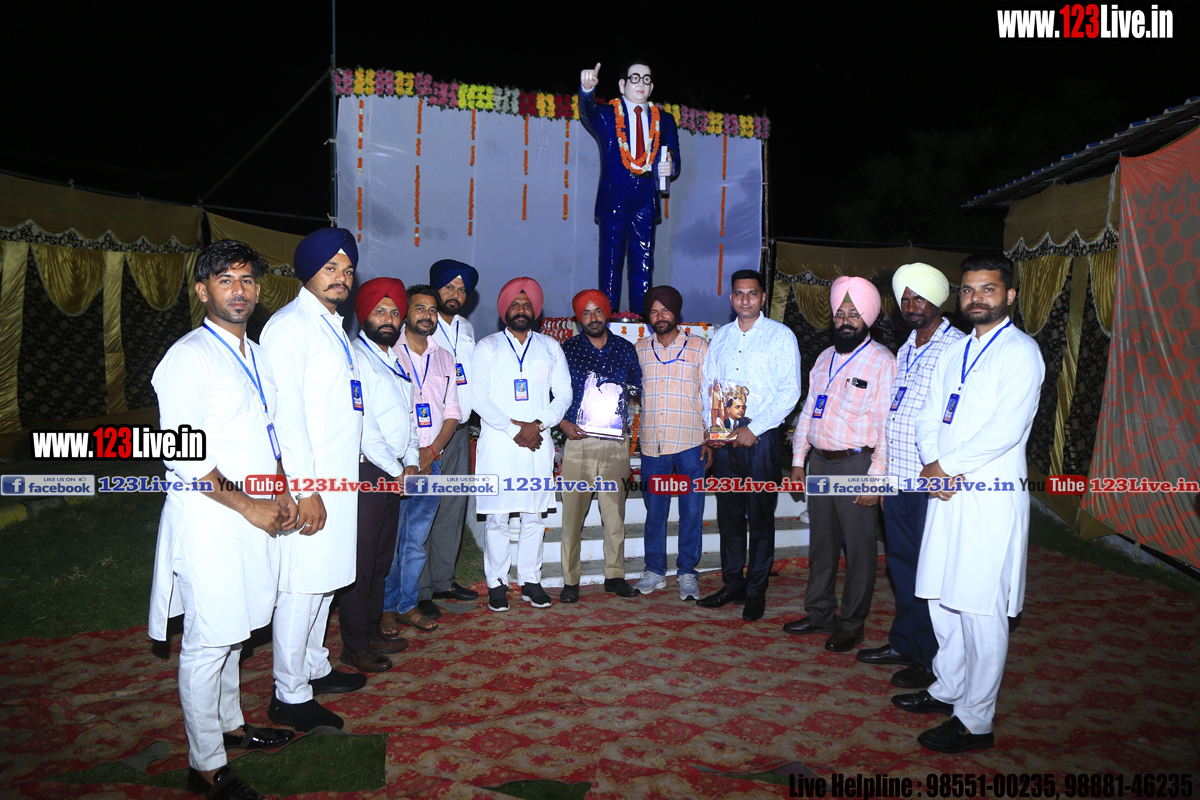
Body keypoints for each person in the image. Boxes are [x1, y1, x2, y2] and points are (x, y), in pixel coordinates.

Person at [149, 239, 296, 800]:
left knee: (236, 630)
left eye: (248, 280)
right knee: (209, 642)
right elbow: (183, 452)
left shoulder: (255, 353)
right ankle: (205, 766)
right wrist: (250, 504)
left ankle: (231, 727)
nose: (240, 290)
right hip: (211, 519)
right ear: (202, 290)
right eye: (226, 280)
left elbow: (268, 430)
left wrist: (280, 488)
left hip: (253, 513)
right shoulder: (189, 357)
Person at [894, 254, 1044, 754]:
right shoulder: (956, 350)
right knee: (941, 596)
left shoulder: (1020, 353)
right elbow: (927, 413)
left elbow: (1006, 430)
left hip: (987, 495)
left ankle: (977, 721)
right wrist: (934, 462)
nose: (976, 298)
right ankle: (948, 687)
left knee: (980, 606)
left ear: (1010, 295)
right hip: (946, 489)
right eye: (968, 290)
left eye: (988, 289)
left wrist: (946, 466)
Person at [260, 228, 405, 732]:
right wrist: (305, 490)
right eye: (330, 269)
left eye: (347, 270)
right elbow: (286, 417)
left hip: (343, 484)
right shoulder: (290, 327)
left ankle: (314, 668)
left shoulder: (334, 329)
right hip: (314, 486)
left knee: (325, 585)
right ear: (308, 272)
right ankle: (289, 693)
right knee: (302, 587)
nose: (341, 278)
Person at [855, 263, 964, 688]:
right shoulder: (905, 348)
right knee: (902, 567)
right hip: (898, 479)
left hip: (930, 483)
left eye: (920, 297)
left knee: (932, 572)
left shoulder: (956, 347)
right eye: (905, 299)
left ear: (937, 299)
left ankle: (931, 657)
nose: (912, 305)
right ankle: (904, 642)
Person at [786, 276, 896, 652]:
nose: (845, 320)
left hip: (856, 465)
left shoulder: (882, 362)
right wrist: (798, 460)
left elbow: (886, 426)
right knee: (822, 543)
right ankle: (820, 613)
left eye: (854, 313)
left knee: (859, 549)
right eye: (840, 314)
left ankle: (852, 623)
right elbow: (808, 412)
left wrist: (875, 478)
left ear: (868, 318)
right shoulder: (824, 358)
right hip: (819, 461)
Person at [698, 269, 801, 622]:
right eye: (739, 294)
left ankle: (756, 591)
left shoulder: (780, 336)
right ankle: (732, 584)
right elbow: (708, 386)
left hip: (762, 437)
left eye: (752, 293)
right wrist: (710, 430)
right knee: (728, 515)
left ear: (762, 297)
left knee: (759, 517)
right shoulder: (721, 337)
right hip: (725, 437)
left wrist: (754, 429)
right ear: (731, 299)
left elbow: (790, 391)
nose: (745, 300)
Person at [473, 277, 572, 611]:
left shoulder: (550, 347)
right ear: (504, 309)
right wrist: (513, 428)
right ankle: (496, 583)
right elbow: (478, 397)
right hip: (500, 443)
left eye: (527, 304)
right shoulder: (487, 346)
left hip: (537, 443)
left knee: (533, 515)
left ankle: (531, 580)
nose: (521, 309)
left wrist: (538, 424)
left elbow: (564, 394)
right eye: (514, 304)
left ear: (535, 310)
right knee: (498, 518)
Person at [342, 278, 421, 673]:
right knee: (361, 561)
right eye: (380, 311)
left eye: (394, 312)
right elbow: (365, 426)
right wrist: (397, 470)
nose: (388, 319)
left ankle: (372, 630)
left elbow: (410, 417)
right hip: (369, 472)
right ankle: (354, 644)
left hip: (394, 471)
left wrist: (412, 462)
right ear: (364, 316)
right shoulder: (355, 358)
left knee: (380, 559)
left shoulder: (396, 360)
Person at [382, 284, 462, 632]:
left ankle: (407, 604)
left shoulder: (444, 357)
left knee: (416, 542)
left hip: (432, 462)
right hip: (395, 464)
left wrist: (432, 452)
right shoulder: (388, 352)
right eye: (420, 308)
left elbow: (452, 411)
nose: (427, 315)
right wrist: (411, 456)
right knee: (390, 541)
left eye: (432, 310)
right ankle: (385, 608)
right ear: (405, 312)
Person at [558, 289, 642, 602]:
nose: (592, 318)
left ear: (607, 313)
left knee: (614, 515)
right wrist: (562, 422)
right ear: (578, 318)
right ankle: (570, 580)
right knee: (572, 517)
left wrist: (626, 411)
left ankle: (615, 575)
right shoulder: (567, 350)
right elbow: (555, 393)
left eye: (598, 311)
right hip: (578, 442)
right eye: (586, 312)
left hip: (615, 445)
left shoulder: (625, 349)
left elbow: (636, 389)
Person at [578, 60, 681, 313]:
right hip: (615, 193)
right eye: (634, 78)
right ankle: (607, 319)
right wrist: (587, 89)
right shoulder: (607, 114)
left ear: (652, 87)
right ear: (622, 85)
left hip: (647, 195)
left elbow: (674, 157)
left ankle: (643, 319)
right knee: (611, 261)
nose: (640, 84)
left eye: (646, 79)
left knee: (644, 261)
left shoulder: (664, 120)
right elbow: (588, 113)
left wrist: (671, 167)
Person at [633, 285, 710, 600]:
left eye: (665, 310)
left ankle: (688, 572)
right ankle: (654, 570)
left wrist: (710, 436)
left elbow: (711, 393)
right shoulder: (640, 349)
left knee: (691, 511)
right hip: (654, 445)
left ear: (676, 312)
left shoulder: (700, 347)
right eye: (653, 311)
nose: (660, 316)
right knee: (655, 512)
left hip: (691, 441)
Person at [424, 260, 482, 614]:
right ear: (435, 288)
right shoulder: (422, 324)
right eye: (449, 287)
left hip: (459, 431)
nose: (455, 295)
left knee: (453, 507)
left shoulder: (467, 328)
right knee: (423, 509)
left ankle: (443, 581)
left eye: (461, 290)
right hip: (429, 433)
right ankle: (419, 591)